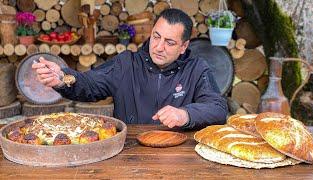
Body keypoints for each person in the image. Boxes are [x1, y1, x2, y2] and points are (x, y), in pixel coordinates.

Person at [32, 8, 228, 130]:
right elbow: (90, 84)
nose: (159, 47)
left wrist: (185, 114)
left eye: (169, 42)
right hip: (129, 149)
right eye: (156, 36)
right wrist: (63, 77)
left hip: (176, 154)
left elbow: (217, 109)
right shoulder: (126, 63)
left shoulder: (196, 69)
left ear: (183, 46)